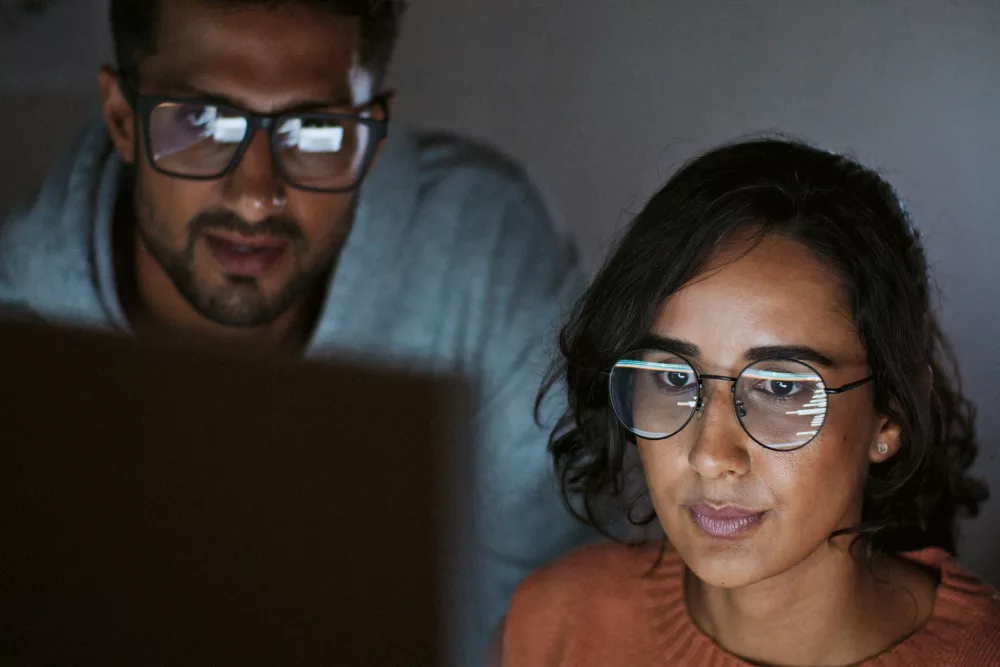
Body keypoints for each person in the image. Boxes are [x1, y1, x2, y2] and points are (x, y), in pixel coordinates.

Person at [0, 0, 595, 661]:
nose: (256, 194)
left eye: (314, 130)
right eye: (202, 122)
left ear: (373, 133)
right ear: (122, 120)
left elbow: (549, 619)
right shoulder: (18, 331)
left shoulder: (486, 256)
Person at [499, 139, 1000, 666]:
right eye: (672, 377)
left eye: (780, 387)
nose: (711, 455)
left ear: (891, 412)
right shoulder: (559, 621)